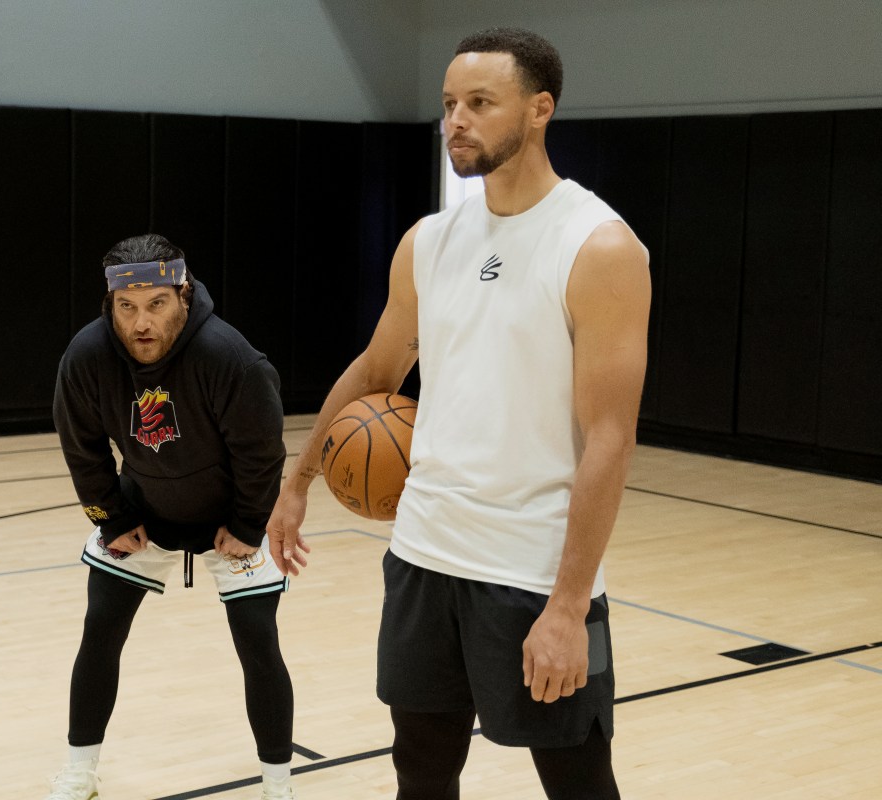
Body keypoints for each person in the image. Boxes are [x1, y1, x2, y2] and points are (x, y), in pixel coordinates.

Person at [268, 28, 649, 800]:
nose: (456, 122)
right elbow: (377, 370)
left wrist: (569, 607)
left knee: (577, 779)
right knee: (422, 770)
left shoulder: (597, 246)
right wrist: (298, 477)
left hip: (529, 572)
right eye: (448, 105)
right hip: (423, 556)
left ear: (540, 109)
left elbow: (611, 437)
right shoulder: (429, 241)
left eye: (480, 103)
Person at [47, 233, 297, 800]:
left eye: (156, 304)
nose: (141, 323)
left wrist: (249, 526)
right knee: (100, 632)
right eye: (126, 307)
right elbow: (79, 446)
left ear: (183, 294)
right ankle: (79, 772)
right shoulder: (86, 358)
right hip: (143, 512)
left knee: (259, 643)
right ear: (108, 303)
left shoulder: (229, 357)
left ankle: (277, 787)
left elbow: (263, 453)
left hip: (232, 521)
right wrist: (111, 518)